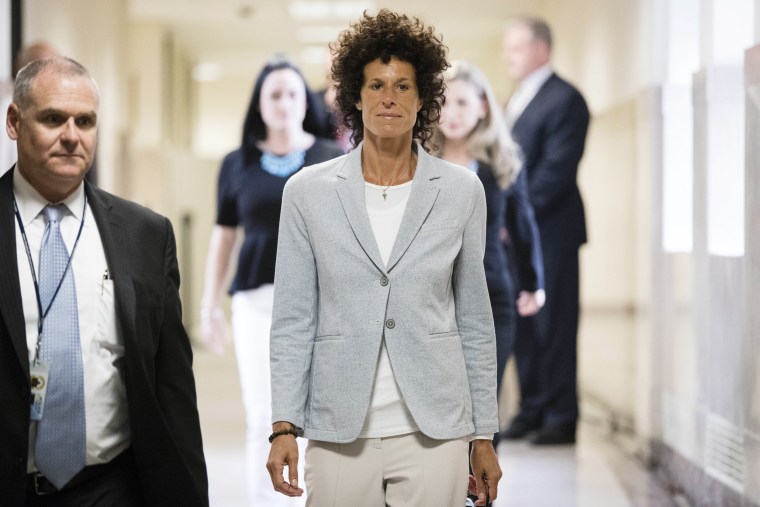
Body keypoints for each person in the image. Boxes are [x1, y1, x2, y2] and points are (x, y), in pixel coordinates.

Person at [266, 9, 501, 507]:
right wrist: (283, 425)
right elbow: (292, 318)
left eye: (402, 86)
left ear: (423, 99)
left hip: (434, 428)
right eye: (375, 85)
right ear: (355, 95)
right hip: (338, 427)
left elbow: (475, 320)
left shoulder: (461, 192)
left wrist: (483, 433)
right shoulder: (307, 192)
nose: (389, 97)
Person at [0, 56, 208, 505]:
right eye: (53, 119)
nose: (72, 136)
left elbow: (172, 388)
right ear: (15, 122)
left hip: (112, 488)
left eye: (85, 121)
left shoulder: (145, 235)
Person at [199, 56, 343, 506]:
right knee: (265, 413)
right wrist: (208, 307)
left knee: (318, 413)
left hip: (321, 304)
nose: (283, 103)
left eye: (292, 94)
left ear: (306, 102)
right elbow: (223, 237)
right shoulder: (237, 163)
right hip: (257, 303)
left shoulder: (331, 158)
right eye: (274, 95)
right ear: (259, 105)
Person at [430, 60, 545, 449]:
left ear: (482, 107)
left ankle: (480, 494)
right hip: (430, 301)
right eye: (444, 103)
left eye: (463, 103)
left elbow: (523, 221)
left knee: (482, 409)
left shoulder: (500, 160)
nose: (453, 113)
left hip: (492, 297)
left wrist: (533, 283)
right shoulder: (417, 162)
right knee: (438, 406)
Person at [501, 16, 590, 445]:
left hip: (551, 232)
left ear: (542, 50)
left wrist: (514, 215)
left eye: (517, 47)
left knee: (553, 324)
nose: (509, 56)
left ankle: (561, 414)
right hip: (519, 237)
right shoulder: (516, 100)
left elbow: (555, 170)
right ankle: (532, 407)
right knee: (523, 325)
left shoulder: (565, 99)